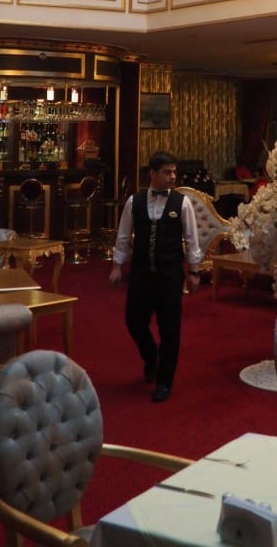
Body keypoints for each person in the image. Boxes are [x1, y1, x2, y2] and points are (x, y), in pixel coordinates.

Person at [109, 150, 202, 403]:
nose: (173, 177)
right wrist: (117, 266)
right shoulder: (134, 202)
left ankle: (164, 381)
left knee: (170, 329)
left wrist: (193, 271)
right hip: (141, 273)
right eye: (167, 172)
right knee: (134, 321)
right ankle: (151, 356)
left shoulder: (182, 203)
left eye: (174, 172)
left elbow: (192, 240)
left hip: (169, 275)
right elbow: (123, 236)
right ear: (152, 174)